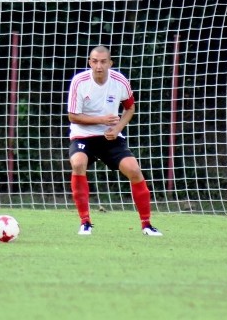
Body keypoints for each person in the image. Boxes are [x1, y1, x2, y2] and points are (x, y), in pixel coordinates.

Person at [66, 45, 162, 237]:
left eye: (103, 62)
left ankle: (147, 225)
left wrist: (117, 129)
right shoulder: (79, 81)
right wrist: (101, 120)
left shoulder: (120, 81)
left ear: (110, 63)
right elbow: (73, 116)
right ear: (89, 62)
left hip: (111, 137)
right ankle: (85, 222)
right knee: (78, 163)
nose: (98, 66)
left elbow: (130, 108)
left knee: (134, 169)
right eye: (94, 61)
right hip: (83, 136)